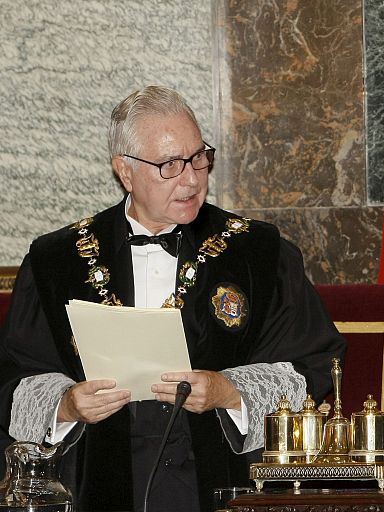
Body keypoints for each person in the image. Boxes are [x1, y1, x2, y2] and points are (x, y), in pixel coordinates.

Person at [0, 85, 346, 512]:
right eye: (170, 165)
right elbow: (15, 375)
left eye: (199, 158)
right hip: (96, 477)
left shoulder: (258, 253)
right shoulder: (57, 260)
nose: (192, 178)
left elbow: (314, 363)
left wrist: (229, 391)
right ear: (125, 171)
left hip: (220, 475)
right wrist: (66, 404)